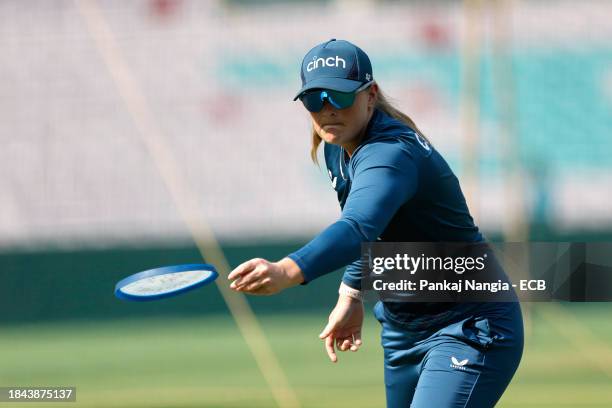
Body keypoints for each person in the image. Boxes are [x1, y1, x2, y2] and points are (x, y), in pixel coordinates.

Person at [228, 38, 524, 407]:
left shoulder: (390, 154)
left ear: (371, 94)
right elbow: (376, 230)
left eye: (340, 96)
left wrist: (289, 270)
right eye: (314, 99)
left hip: (468, 325)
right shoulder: (339, 146)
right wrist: (351, 293)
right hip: (403, 331)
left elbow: (358, 227)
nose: (327, 109)